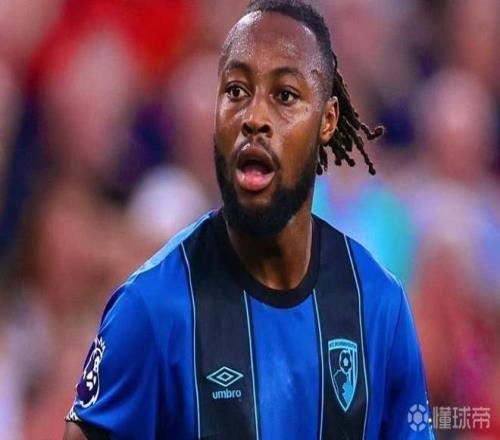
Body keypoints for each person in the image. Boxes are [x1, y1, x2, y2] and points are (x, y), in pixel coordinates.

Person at [64, 1, 434, 438]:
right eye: (236, 91)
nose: (254, 118)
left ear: (328, 121)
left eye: (285, 96)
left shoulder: (378, 304)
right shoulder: (152, 307)